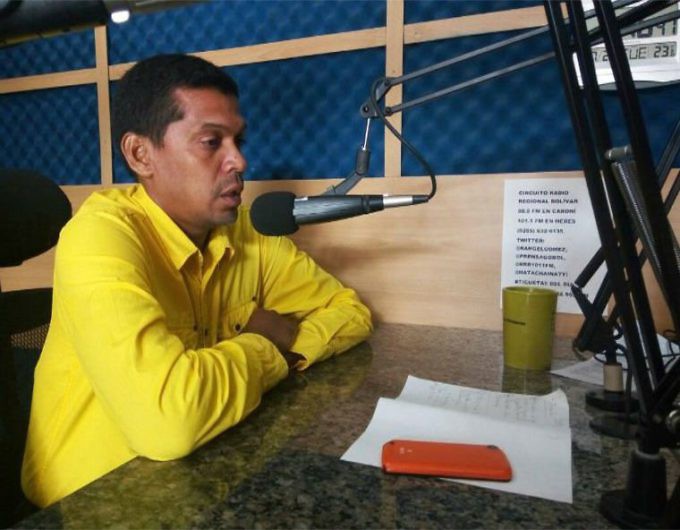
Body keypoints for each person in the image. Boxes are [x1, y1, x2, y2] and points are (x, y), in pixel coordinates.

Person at [21, 54, 373, 508]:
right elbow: (168, 421)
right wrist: (266, 346)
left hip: (201, 473)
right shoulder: (100, 236)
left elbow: (350, 313)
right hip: (89, 503)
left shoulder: (247, 231)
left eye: (238, 140)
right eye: (211, 142)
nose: (239, 160)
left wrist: (291, 347)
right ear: (140, 154)